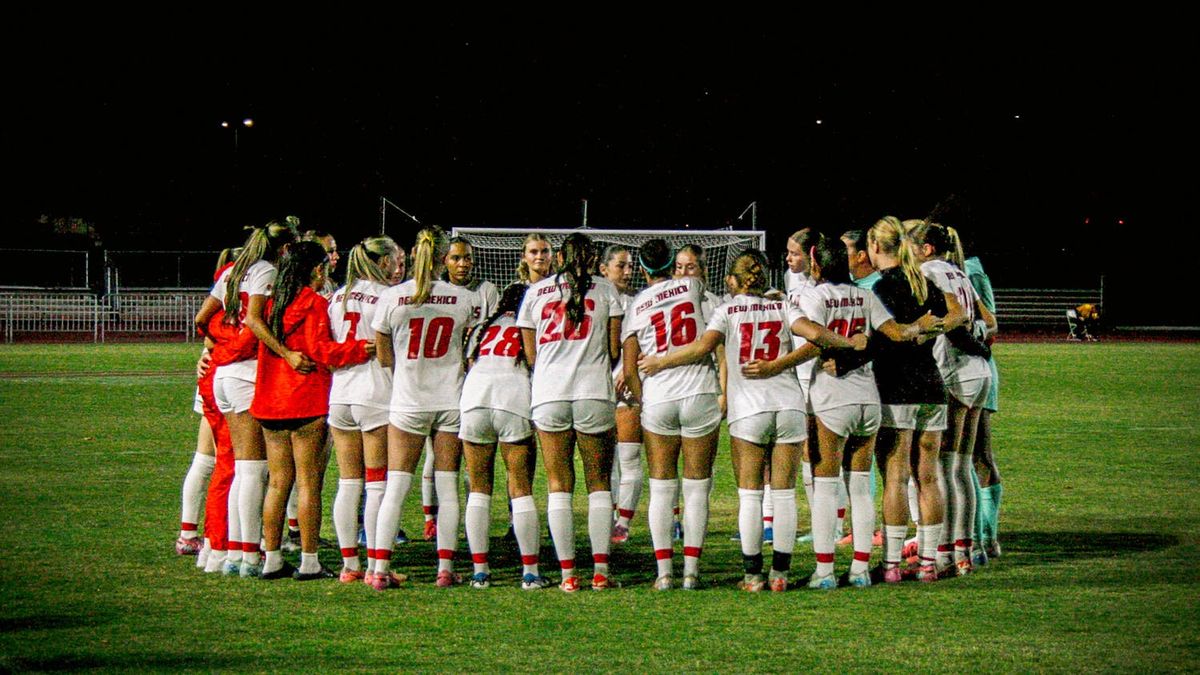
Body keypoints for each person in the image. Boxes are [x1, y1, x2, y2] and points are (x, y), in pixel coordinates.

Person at [641, 248, 865, 591]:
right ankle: (780, 575)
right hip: (789, 405)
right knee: (785, 493)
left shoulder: (727, 309)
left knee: (750, 496)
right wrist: (849, 342)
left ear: (733, 278)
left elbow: (703, 348)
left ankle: (753, 575)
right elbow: (817, 335)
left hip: (749, 409)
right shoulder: (783, 304)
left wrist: (661, 362)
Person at [792, 235, 941, 589]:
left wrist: (779, 365)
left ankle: (825, 572)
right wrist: (922, 326)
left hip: (833, 398)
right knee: (860, 487)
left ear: (815, 265)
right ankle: (860, 570)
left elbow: (815, 338)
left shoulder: (815, 295)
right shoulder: (864, 294)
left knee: (826, 486)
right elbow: (894, 332)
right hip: (868, 398)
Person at [249, 240, 373, 580]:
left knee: (277, 484)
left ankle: (272, 558)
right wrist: (363, 348)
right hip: (304, 399)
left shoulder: (273, 304)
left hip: (270, 402)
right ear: (317, 269)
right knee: (308, 484)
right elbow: (322, 351)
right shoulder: (314, 303)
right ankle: (309, 560)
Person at [370, 228, 481, 589]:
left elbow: (385, 356)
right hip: (450, 399)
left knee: (397, 485)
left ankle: (380, 569)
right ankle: (445, 569)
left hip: (408, 400)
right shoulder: (461, 298)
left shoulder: (392, 297)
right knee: (447, 486)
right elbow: (469, 350)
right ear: (443, 258)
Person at [517, 232, 624, 592]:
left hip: (549, 393)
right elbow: (613, 350)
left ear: (560, 256)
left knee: (559, 486)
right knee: (598, 484)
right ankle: (600, 572)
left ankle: (567, 574)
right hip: (594, 391)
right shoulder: (607, 291)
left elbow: (531, 356)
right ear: (593, 258)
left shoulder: (535, 292)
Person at [194, 219, 300, 577]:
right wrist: (284, 352)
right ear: (284, 249)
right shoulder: (266, 271)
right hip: (244, 375)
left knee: (237, 468)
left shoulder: (233, 271)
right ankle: (246, 556)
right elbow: (255, 320)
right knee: (252, 470)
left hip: (223, 375)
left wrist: (216, 345)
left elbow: (202, 318)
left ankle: (231, 551)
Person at [621, 239, 720, 590]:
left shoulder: (636, 304)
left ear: (644, 268)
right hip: (699, 391)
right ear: (672, 265)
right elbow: (714, 338)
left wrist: (642, 397)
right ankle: (691, 571)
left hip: (660, 395)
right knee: (697, 488)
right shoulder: (694, 286)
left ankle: (664, 573)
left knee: (662, 488)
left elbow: (630, 363)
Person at [909, 219, 997, 576]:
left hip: (955, 372)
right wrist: (975, 332)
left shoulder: (929, 272)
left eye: (911, 248)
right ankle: (968, 548)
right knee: (961, 465)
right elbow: (990, 321)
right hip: (980, 371)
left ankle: (945, 553)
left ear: (926, 249)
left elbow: (949, 321)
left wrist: (929, 330)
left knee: (945, 465)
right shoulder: (959, 273)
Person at [865, 217, 950, 583]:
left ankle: (892, 565)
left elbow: (883, 337)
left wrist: (911, 332)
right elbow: (958, 314)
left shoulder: (882, 287)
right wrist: (929, 330)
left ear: (875, 248)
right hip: (933, 385)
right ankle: (929, 563)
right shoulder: (924, 282)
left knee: (896, 477)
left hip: (897, 388)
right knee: (928, 477)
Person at [460, 282, 554, 590]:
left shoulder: (483, 328)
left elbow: (469, 362)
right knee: (520, 486)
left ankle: (480, 572)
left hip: (474, 398)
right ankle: (530, 572)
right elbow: (536, 363)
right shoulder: (531, 325)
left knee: (479, 488)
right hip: (511, 398)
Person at [327, 236, 405, 584]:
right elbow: (389, 349)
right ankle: (376, 567)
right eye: (396, 260)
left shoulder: (337, 296)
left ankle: (349, 566)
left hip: (340, 394)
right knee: (376, 485)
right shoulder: (386, 296)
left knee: (348, 482)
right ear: (384, 262)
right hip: (374, 393)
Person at [600, 244, 644, 544]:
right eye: (621, 266)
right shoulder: (593, 298)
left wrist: (628, 375)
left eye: (630, 266)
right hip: (595, 386)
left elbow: (645, 344)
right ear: (603, 269)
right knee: (607, 459)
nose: (628, 272)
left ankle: (623, 522)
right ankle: (609, 514)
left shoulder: (639, 303)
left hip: (627, 385)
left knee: (629, 455)